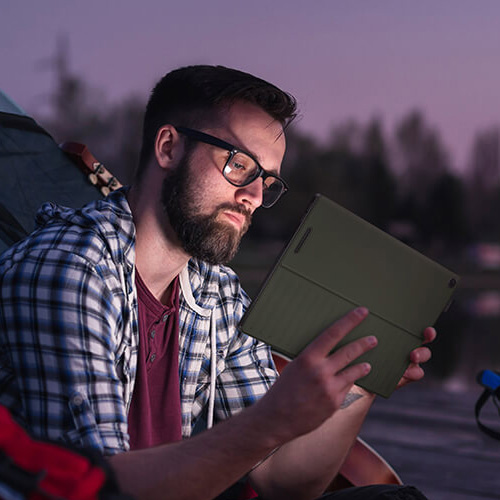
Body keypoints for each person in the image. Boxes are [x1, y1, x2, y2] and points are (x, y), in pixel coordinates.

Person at [0, 65, 434, 500]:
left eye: (267, 180)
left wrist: (359, 382)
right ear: (169, 148)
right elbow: (99, 491)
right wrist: (268, 422)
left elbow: (283, 482)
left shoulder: (217, 291)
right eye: (239, 163)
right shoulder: (70, 271)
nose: (255, 197)